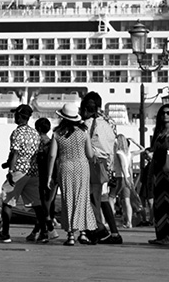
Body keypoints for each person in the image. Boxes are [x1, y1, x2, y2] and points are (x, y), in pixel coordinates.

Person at [46, 102, 99, 246]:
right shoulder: (84, 132)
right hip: (82, 167)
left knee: (68, 200)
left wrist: (50, 175)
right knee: (82, 199)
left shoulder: (57, 134)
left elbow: (52, 156)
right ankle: (82, 233)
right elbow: (89, 154)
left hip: (66, 166)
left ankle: (70, 236)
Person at [81, 92, 122, 244]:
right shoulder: (108, 122)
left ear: (86, 108)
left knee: (92, 199)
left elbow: (86, 146)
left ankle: (99, 230)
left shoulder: (86, 125)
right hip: (106, 163)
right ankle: (114, 232)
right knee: (102, 198)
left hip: (93, 163)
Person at [0, 104, 43, 244]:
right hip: (33, 171)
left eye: (15, 115)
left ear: (18, 116)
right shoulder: (35, 133)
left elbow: (15, 153)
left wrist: (10, 171)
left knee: (7, 200)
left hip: (18, 170)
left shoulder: (17, 132)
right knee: (37, 204)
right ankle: (44, 231)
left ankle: (5, 234)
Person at [146, 104, 169, 246]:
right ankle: (161, 236)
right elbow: (155, 150)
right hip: (159, 173)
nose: (165, 116)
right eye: (163, 113)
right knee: (159, 206)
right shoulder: (159, 132)